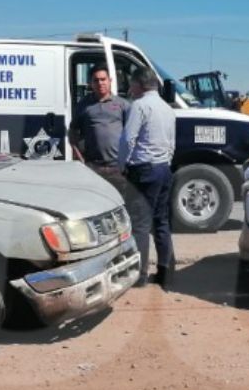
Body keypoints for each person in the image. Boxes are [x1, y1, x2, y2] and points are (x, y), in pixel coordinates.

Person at [118, 68, 176, 287]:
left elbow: (128, 140)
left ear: (140, 84)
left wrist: (121, 164)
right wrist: (165, 162)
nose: (129, 89)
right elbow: (171, 143)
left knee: (140, 224)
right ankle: (165, 271)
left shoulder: (139, 106)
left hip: (143, 170)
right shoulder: (167, 109)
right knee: (161, 222)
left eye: (131, 84)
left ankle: (140, 274)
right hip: (163, 168)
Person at [68, 65, 129, 179]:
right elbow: (72, 132)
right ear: (91, 83)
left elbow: (132, 134)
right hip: (93, 168)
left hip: (117, 167)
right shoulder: (83, 105)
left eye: (103, 79)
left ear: (110, 81)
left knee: (118, 197)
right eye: (96, 80)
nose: (100, 83)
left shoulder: (123, 104)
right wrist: (79, 158)